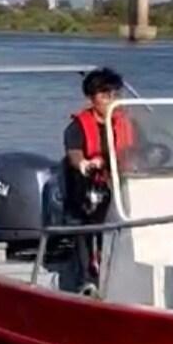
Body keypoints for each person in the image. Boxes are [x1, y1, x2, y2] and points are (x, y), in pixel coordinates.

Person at [62, 67, 134, 294]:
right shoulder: (78, 126)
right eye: (104, 95)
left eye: (114, 94)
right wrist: (84, 163)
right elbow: (74, 153)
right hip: (89, 188)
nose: (111, 100)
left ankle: (124, 271)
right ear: (92, 99)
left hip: (120, 185)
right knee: (88, 225)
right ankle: (87, 279)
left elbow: (139, 149)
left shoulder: (126, 123)